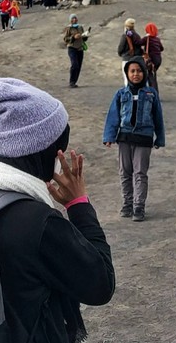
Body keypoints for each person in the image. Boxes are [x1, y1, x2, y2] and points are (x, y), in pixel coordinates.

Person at [0, 74, 115, 343]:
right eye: (59, 148)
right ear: (40, 149)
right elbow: (100, 284)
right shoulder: (38, 223)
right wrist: (78, 205)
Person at [102, 58, 165, 222]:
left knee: (140, 173)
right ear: (127, 74)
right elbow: (113, 116)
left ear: (144, 73)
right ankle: (127, 203)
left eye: (139, 71)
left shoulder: (151, 93)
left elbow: (158, 118)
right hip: (125, 137)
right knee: (125, 172)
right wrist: (109, 136)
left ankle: (139, 206)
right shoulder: (121, 93)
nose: (136, 74)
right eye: (132, 71)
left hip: (144, 138)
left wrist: (160, 138)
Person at [62, 14, 89, 88]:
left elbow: (83, 38)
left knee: (79, 66)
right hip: (72, 48)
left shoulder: (80, 27)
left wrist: (85, 36)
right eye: (73, 18)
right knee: (75, 65)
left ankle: (74, 82)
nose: (74, 19)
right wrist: (73, 37)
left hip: (80, 49)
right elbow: (65, 39)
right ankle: (71, 81)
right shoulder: (69, 28)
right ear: (70, 20)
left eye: (75, 18)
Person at [140, 23, 163, 92]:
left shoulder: (147, 38)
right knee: (153, 75)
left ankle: (153, 92)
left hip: (151, 60)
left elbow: (138, 43)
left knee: (150, 76)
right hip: (158, 59)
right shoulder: (157, 39)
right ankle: (154, 91)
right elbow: (161, 48)